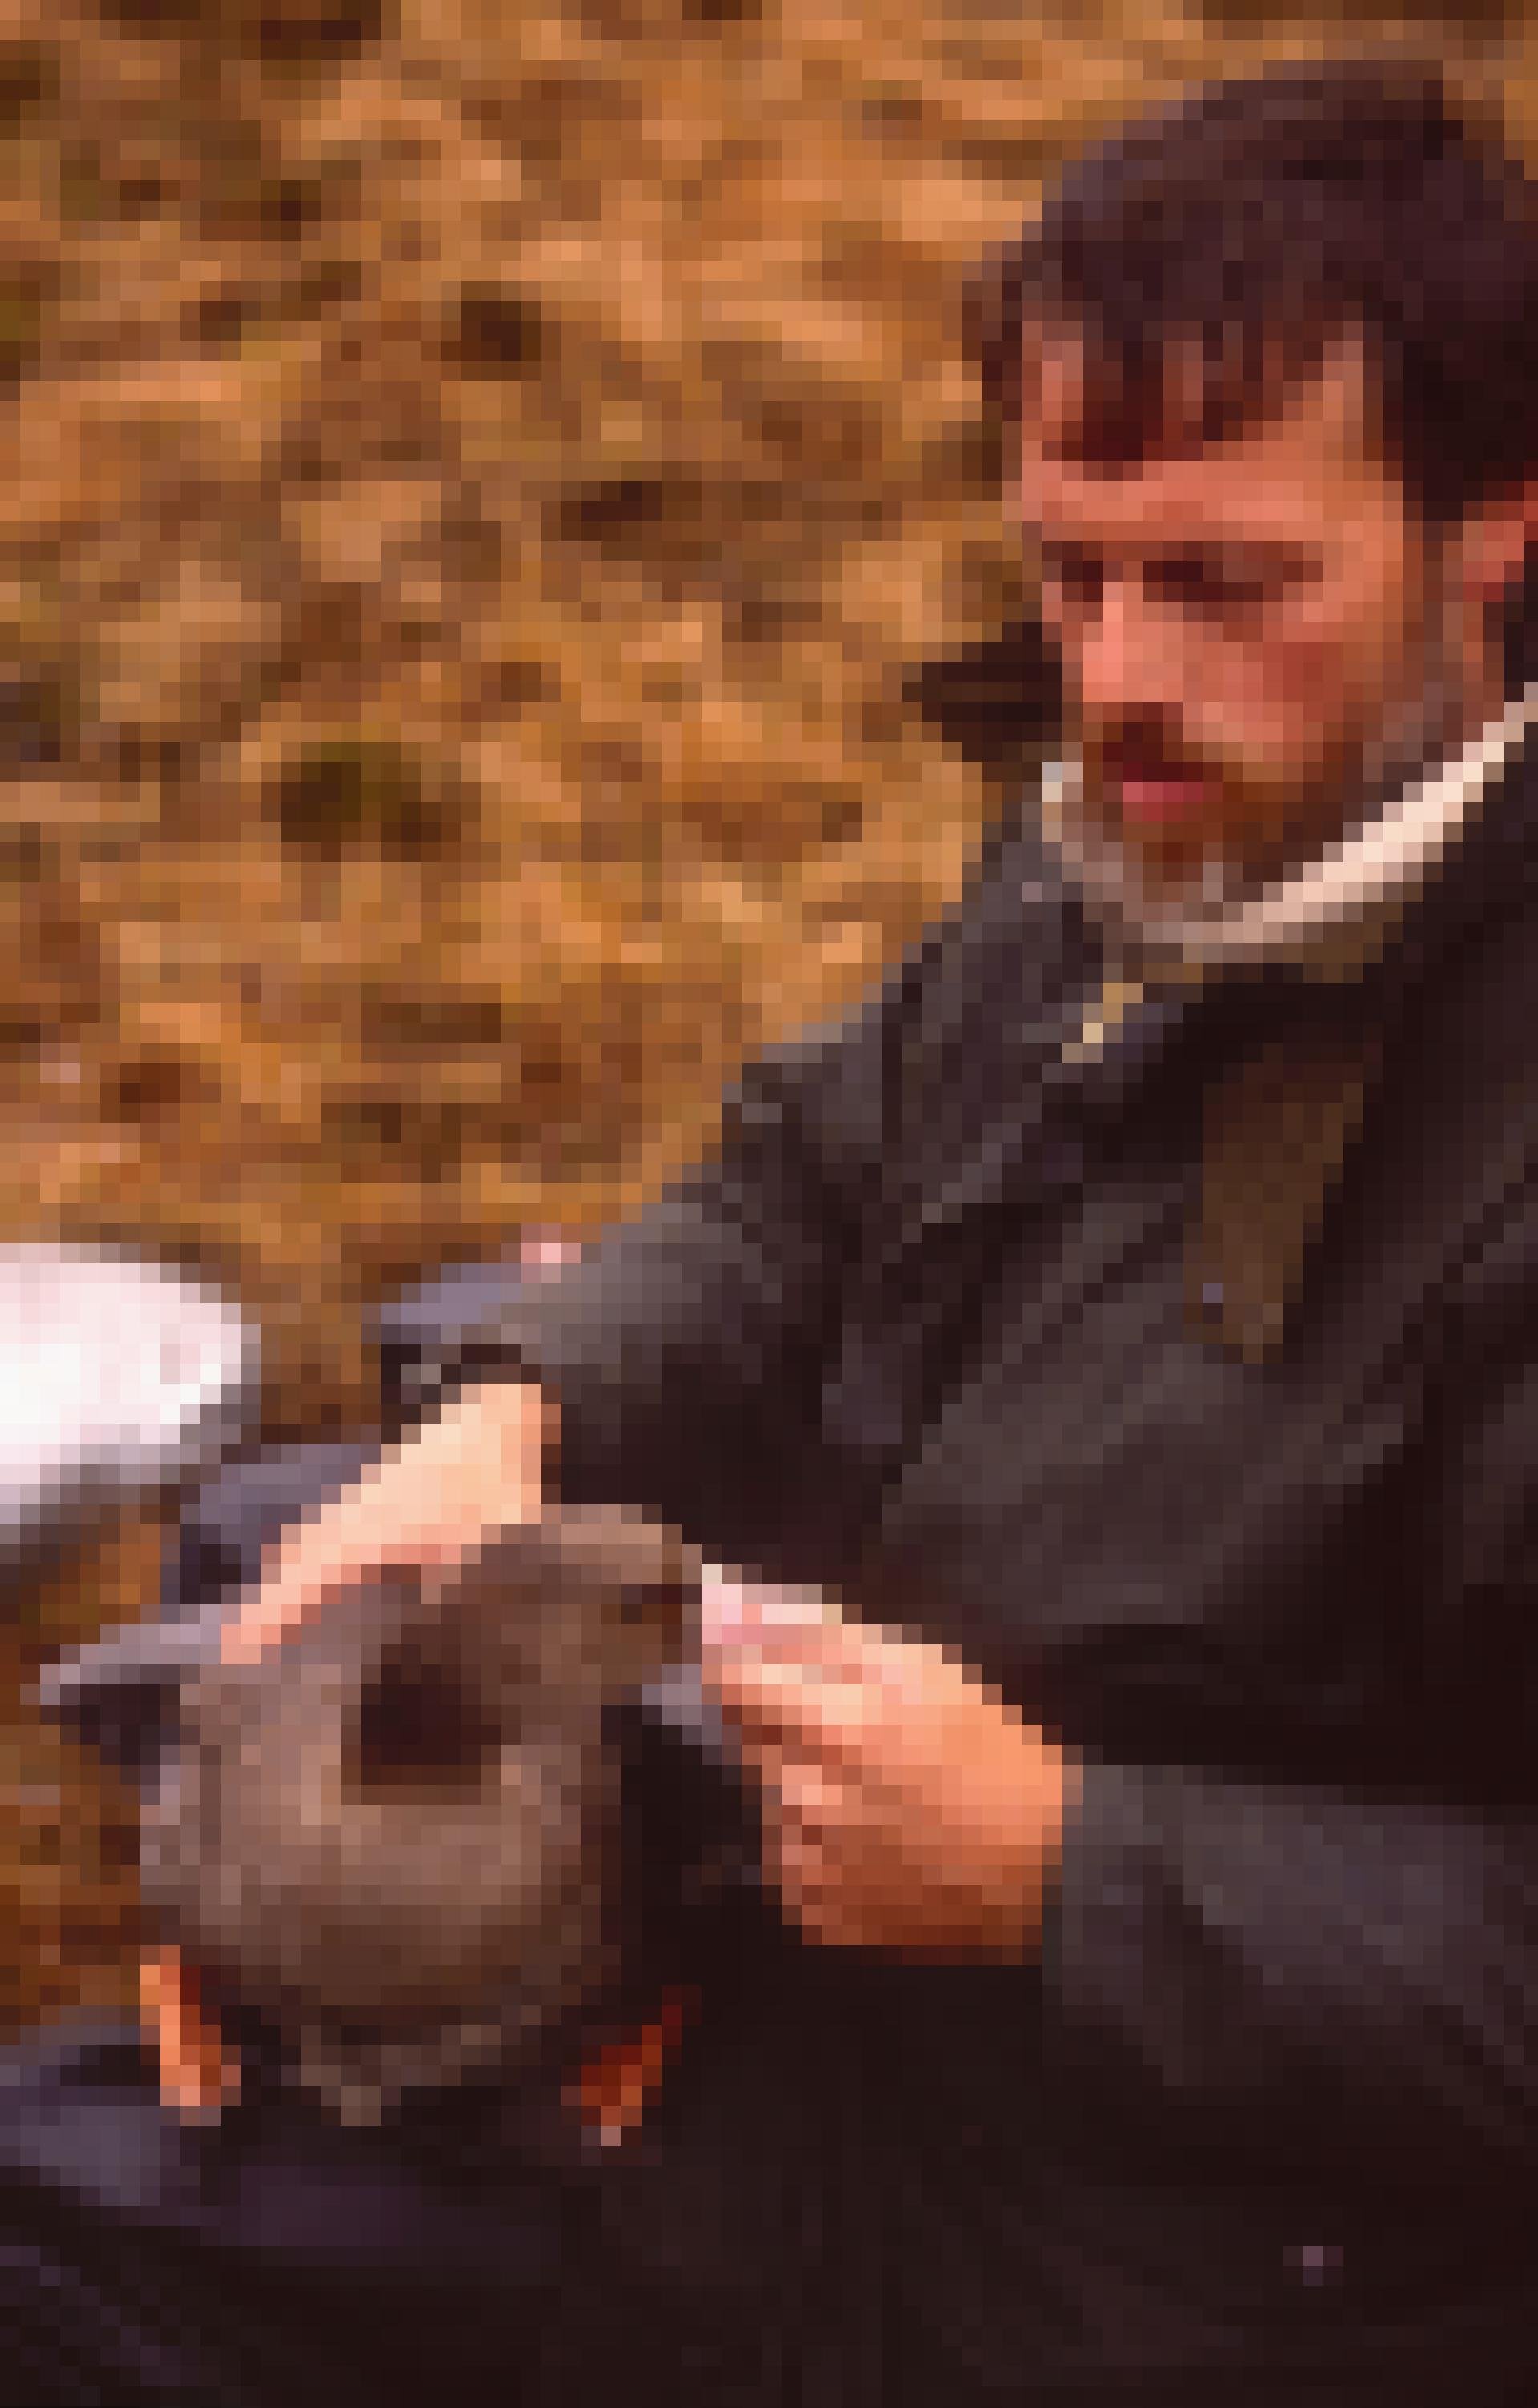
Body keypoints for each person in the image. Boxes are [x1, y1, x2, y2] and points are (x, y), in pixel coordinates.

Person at [10, 52, 1538, 2405]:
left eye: (1227, 584)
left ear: (1494, 524)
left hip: (1143, 2262)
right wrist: (514, 1417)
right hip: (755, 1974)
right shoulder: (1167, 833)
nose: (1115, 677)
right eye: (1065, 568)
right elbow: (801, 1177)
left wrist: (1067, 1865)